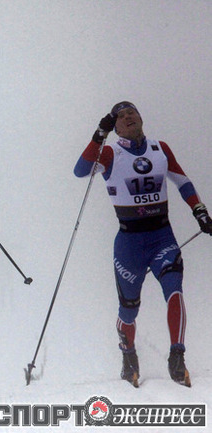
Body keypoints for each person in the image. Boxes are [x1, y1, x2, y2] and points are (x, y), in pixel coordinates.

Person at [74, 101, 212, 388]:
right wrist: (99, 134)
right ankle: (128, 355)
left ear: (140, 117)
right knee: (128, 310)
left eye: (132, 113)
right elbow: (80, 170)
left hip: (162, 237)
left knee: (174, 289)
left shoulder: (160, 148)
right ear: (115, 127)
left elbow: (183, 182)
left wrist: (199, 211)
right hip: (129, 244)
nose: (128, 117)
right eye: (121, 116)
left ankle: (177, 356)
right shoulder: (110, 153)